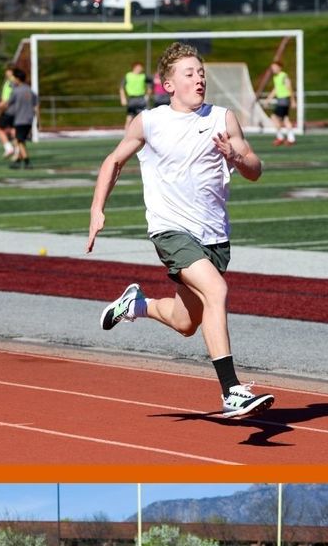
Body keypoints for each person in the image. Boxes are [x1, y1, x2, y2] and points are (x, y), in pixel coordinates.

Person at [89, 42, 275, 420]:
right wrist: (97, 210)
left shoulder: (223, 119)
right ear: (168, 84)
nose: (199, 78)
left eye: (201, 72)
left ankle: (135, 305)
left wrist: (236, 157)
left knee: (185, 322)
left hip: (215, 237)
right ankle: (232, 391)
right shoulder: (149, 121)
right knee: (217, 291)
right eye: (189, 73)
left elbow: (255, 169)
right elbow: (114, 160)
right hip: (170, 231)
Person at [0, 68, 38, 170]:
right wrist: (38, 120)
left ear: (17, 79)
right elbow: (36, 106)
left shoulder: (16, 91)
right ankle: (18, 161)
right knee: (21, 140)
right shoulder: (30, 90)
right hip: (30, 119)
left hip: (20, 119)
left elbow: (8, 103)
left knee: (19, 141)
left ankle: (27, 161)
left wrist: (1, 106)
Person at [264, 61, 296, 146]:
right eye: (272, 67)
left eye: (274, 67)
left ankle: (280, 137)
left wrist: (293, 101)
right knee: (285, 119)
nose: (273, 69)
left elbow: (289, 88)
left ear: (279, 67)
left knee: (274, 117)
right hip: (280, 100)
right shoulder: (276, 77)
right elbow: (276, 89)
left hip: (284, 100)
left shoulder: (284, 76)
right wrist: (268, 99)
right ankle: (291, 138)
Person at [0, 65, 17, 159]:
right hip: (14, 109)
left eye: (7, 71)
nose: (6, 73)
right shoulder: (15, 81)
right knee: (13, 130)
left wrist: (1, 107)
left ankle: (8, 147)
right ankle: (17, 150)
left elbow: (8, 98)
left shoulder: (11, 82)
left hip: (8, 109)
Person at [119, 61, 149, 129]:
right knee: (129, 118)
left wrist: (147, 95)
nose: (140, 69)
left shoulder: (143, 76)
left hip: (141, 99)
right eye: (139, 67)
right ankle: (126, 135)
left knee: (143, 118)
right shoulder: (128, 75)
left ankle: (144, 135)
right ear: (134, 68)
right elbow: (121, 87)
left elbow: (151, 85)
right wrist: (123, 98)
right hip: (132, 99)